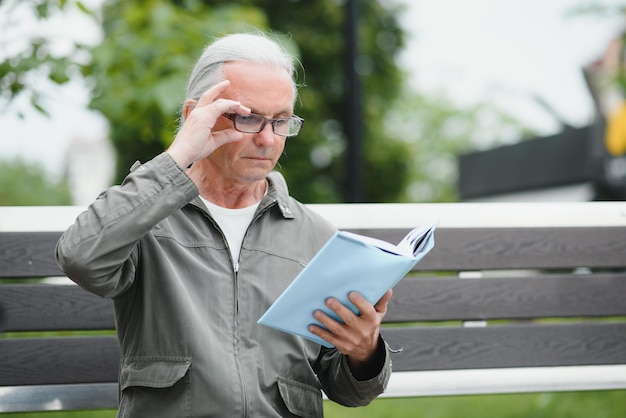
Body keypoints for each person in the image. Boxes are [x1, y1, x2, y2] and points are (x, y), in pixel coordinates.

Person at [56, 32, 392, 418]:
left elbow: (349, 391)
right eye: (248, 118)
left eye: (281, 121)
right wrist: (180, 154)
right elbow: (79, 256)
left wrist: (363, 351)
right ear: (195, 116)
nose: (267, 139)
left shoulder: (314, 236)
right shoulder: (144, 217)